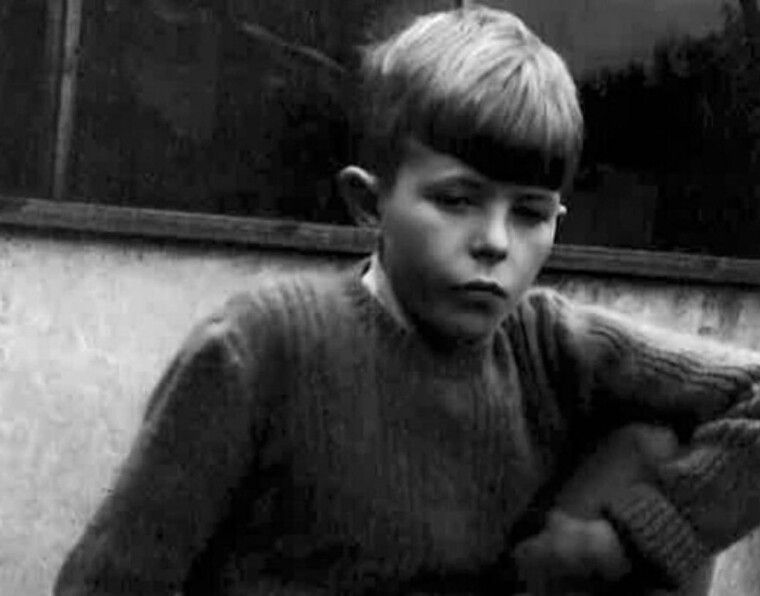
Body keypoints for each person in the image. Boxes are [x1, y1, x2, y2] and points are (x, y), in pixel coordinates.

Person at [54, 5, 760, 596]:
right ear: (369, 202)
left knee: (652, 445)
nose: (494, 243)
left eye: (529, 214)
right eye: (456, 201)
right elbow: (109, 581)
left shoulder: (549, 343)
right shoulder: (262, 346)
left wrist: (623, 545)